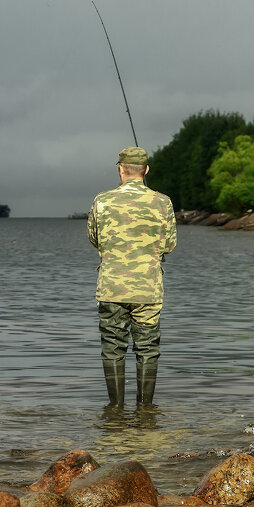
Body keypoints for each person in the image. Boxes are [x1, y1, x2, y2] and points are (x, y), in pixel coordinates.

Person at [87, 146, 177, 407]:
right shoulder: (163, 202)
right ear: (146, 170)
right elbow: (169, 244)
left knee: (112, 348)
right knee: (148, 349)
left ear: (121, 169)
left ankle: (114, 410)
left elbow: (94, 238)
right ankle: (145, 410)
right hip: (148, 289)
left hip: (111, 288)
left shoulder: (102, 200)